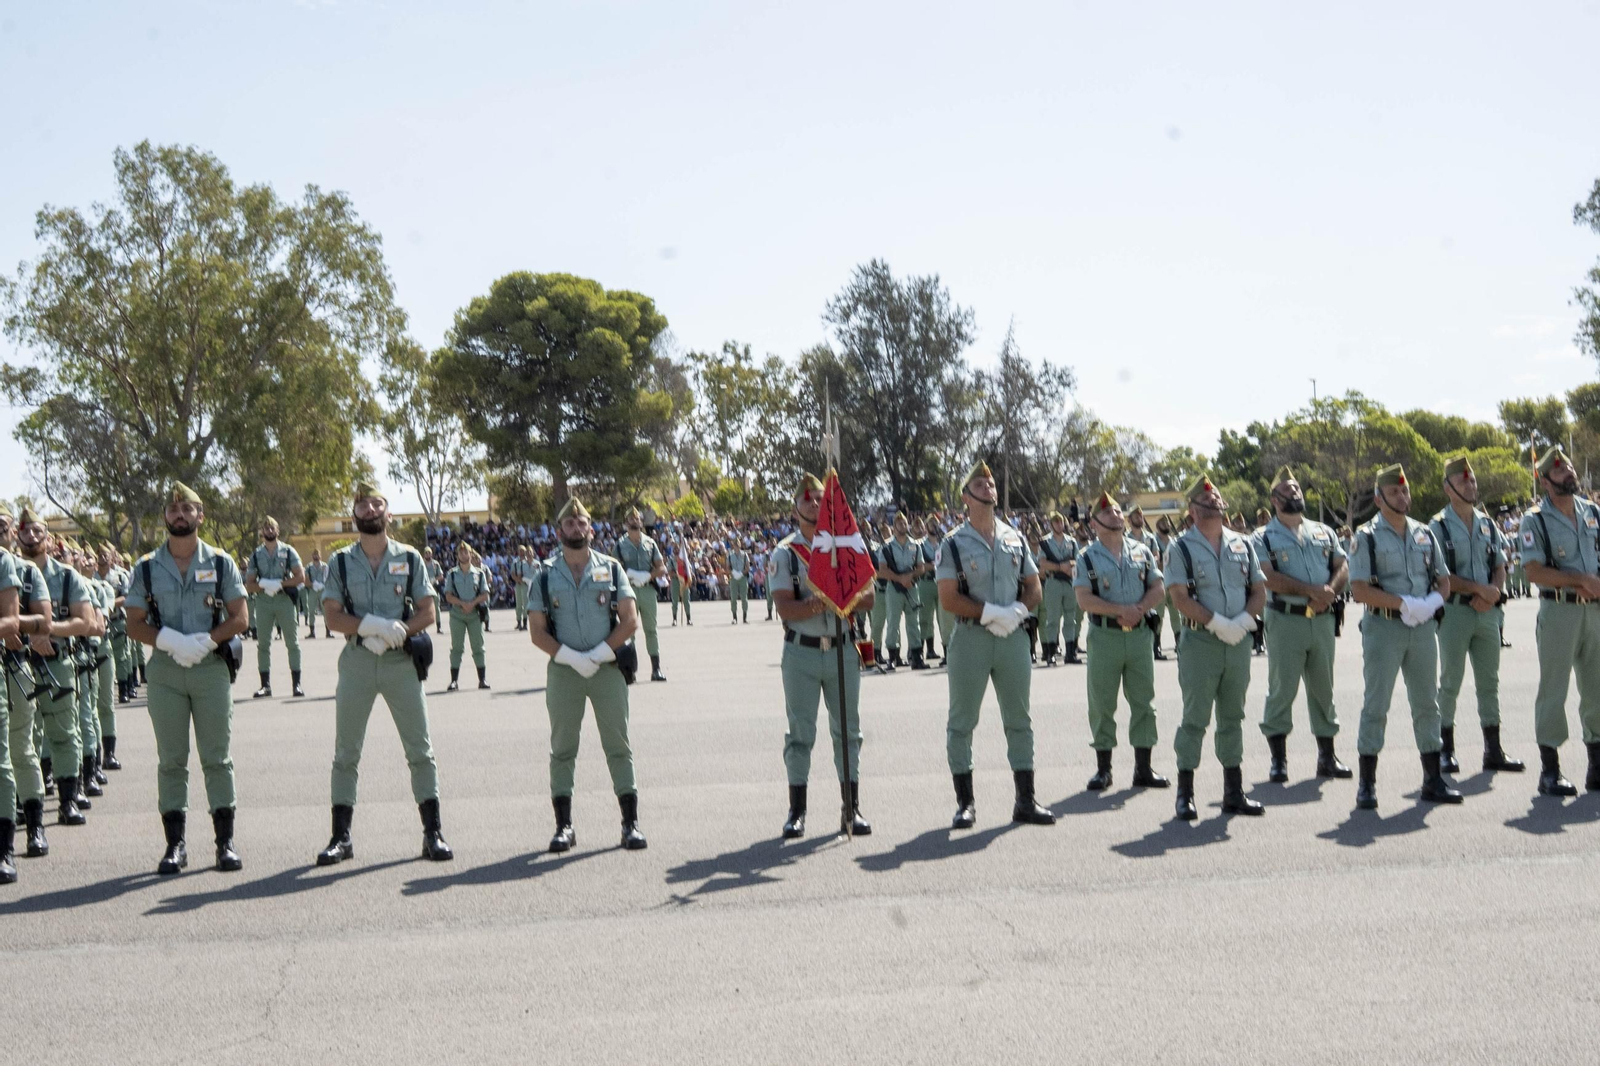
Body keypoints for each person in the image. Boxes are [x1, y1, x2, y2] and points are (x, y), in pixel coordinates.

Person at [316, 481, 453, 865]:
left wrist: (400, 632)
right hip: (358, 661)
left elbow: (428, 611)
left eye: (377, 504)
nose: (371, 510)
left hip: (399, 662)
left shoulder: (410, 559)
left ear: (388, 514)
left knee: (419, 749)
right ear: (355, 515)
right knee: (346, 752)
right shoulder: (340, 562)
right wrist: (372, 627)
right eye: (363, 505)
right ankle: (341, 837)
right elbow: (331, 616)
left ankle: (433, 833)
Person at [124, 483, 250, 874]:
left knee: (217, 757)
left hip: (210, 667)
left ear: (201, 514)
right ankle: (175, 846)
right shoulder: (146, 567)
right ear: (165, 516)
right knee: (172, 760)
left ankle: (224, 843)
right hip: (164, 671)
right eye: (173, 509)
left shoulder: (222, 562)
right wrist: (168, 639)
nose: (180, 514)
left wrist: (207, 641)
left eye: (187, 508)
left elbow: (240, 617)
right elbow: (133, 623)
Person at [935, 461, 1055, 829]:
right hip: (972, 636)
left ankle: (1025, 799)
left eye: (990, 482)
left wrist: (1018, 609)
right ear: (965, 497)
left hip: (1013, 638)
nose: (988, 486)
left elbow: (1034, 585)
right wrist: (990, 612)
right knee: (962, 722)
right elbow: (948, 598)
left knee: (1020, 720)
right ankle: (966, 803)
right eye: (979, 483)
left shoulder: (1014, 538)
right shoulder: (953, 543)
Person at [526, 497, 646, 852]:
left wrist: (601, 652)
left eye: (582, 523)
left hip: (606, 668)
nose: (576, 529)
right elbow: (536, 630)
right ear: (559, 530)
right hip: (565, 672)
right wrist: (569, 657)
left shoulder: (611, 569)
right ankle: (564, 826)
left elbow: (630, 619)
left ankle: (630, 824)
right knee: (562, 748)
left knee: (618, 746)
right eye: (570, 524)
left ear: (591, 529)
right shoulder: (545, 574)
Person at [1347, 464, 1460, 810]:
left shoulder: (1425, 533)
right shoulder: (1365, 537)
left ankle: (1432, 779)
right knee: (1376, 704)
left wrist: (1434, 601)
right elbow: (1359, 589)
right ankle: (1367, 784)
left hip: (1422, 626)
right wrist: (1404, 603)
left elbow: (1443, 578)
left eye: (1405, 490)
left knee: (1428, 703)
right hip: (1384, 627)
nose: (1403, 496)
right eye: (1394, 492)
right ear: (1379, 499)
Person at [769, 474, 873, 838]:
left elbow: (870, 597)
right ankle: (797, 811)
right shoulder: (785, 553)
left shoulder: (846, 546)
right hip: (802, 653)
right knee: (800, 733)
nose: (814, 504)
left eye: (819, 499)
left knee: (848, 732)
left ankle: (852, 807)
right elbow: (785, 607)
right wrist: (818, 602)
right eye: (807, 499)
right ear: (795, 508)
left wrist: (844, 596)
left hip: (843, 649)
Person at [1164, 475, 1267, 819]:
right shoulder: (1180, 548)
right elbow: (1179, 598)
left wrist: (1241, 622)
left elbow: (1258, 590)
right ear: (1193, 511)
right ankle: (1185, 793)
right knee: (1195, 718)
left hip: (1237, 641)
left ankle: (1233, 792)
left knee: (1233, 717)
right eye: (1206, 500)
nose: (1215, 502)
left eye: (1217, 498)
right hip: (1200, 642)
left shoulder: (1243, 544)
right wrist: (1216, 622)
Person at [1253, 466, 1353, 783]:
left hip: (1322, 619)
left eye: (1297, 488)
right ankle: (1279, 760)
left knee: (1324, 689)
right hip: (1285, 620)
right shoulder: (1263, 537)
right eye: (1288, 489)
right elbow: (1267, 576)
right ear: (1274, 498)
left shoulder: (1323, 531)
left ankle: (1327, 757)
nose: (1295, 493)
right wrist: (1311, 591)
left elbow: (1342, 565)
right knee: (1282, 689)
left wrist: (1330, 593)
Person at [1429, 456, 1524, 775]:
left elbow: (1499, 564)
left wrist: (1493, 592)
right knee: (1450, 681)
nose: (1471, 485)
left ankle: (1493, 749)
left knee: (1490, 682)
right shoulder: (1437, 526)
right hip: (1455, 612)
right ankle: (1445, 750)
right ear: (1448, 488)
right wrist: (1480, 591)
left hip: (1487, 613)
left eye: (1472, 480)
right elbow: (1439, 575)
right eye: (1464, 481)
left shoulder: (1488, 524)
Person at [1074, 492, 1170, 791]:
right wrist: (1121, 610)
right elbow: (1083, 598)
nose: (1116, 515)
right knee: (1102, 704)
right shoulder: (1086, 556)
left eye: (1118, 510)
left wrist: (1139, 609)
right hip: (1105, 637)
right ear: (1095, 523)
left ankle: (1144, 768)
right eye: (1108, 512)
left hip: (1140, 635)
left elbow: (1158, 586)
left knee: (1144, 702)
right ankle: (1104, 769)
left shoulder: (1140, 550)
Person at [1519, 448, 1600, 795]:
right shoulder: (1534, 520)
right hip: (1559, 611)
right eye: (1560, 469)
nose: (1569, 472)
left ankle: (1596, 766)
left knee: (1596, 689)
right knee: (1554, 690)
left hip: (1594, 611)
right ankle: (1550, 770)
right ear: (1545, 480)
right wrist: (1580, 579)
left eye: (1569, 466)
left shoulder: (1593, 512)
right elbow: (1534, 570)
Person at [16, 510, 97, 825]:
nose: (32, 537)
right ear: (17, 536)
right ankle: (25, 801)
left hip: (58, 661)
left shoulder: (67, 576)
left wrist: (47, 631)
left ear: (48, 538)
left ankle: (67, 800)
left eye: (38, 531)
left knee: (64, 733)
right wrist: (30, 635)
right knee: (25, 738)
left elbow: (86, 622)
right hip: (19, 664)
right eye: (26, 531)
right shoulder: (10, 571)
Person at [0, 507, 51, 857]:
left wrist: (17, 624)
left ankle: (34, 826)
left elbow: (44, 620)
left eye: (2, 526)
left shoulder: (26, 571)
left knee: (18, 749)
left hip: (15, 667)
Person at [244, 516, 306, 698]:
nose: (269, 531)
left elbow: (300, 577)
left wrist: (280, 584)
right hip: (263, 601)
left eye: (272, 528)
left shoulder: (288, 551)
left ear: (278, 531)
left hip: (284, 600)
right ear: (261, 532)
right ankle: (265, 686)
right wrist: (264, 585)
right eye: (266, 528)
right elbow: (249, 584)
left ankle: (297, 684)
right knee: (263, 644)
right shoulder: (256, 555)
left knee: (292, 643)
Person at [617, 509, 669, 682]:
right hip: (628, 591)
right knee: (628, 630)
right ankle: (629, 670)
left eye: (638, 518)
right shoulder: (619, 545)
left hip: (647, 590)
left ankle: (656, 669)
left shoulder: (650, 543)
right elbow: (614, 569)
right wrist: (629, 574)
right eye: (632, 518)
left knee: (651, 629)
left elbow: (661, 568)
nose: (636, 520)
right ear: (626, 522)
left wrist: (648, 576)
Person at [882, 514, 928, 670]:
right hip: (894, 588)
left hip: (912, 587)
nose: (902, 525)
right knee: (893, 622)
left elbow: (921, 567)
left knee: (914, 622)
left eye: (904, 523)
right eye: (899, 523)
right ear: (894, 527)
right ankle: (893, 657)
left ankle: (917, 657)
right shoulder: (887, 547)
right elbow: (882, 571)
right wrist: (899, 578)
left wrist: (910, 576)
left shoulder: (915, 545)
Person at [442, 543, 489, 691]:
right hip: (457, 615)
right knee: (456, 648)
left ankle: (482, 680)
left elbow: (485, 594)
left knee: (478, 647)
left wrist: (472, 603)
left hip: (474, 614)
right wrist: (462, 603)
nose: (463, 554)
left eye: (466, 552)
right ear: (457, 555)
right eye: (461, 552)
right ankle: (454, 681)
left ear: (471, 554)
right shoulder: (452, 574)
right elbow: (448, 595)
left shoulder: (479, 574)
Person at [1037, 510, 1080, 666]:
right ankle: (1050, 653)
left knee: (1071, 617)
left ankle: (1070, 652)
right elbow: (1042, 562)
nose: (1059, 524)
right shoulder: (1046, 542)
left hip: (1069, 582)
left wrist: (1069, 566)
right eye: (1056, 522)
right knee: (1052, 618)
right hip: (1053, 581)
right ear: (1051, 524)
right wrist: (1059, 566)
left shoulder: (1072, 541)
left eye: (1061, 522)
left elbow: (1077, 560)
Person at [911, 516, 942, 666]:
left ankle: (940, 650)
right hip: (926, 583)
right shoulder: (920, 544)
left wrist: (934, 564)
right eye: (931, 523)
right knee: (924, 618)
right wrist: (934, 565)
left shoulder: (944, 542)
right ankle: (922, 650)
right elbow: (920, 565)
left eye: (936, 523)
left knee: (943, 619)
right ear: (926, 527)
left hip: (941, 583)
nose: (934, 526)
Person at [303, 549, 330, 639]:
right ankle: (312, 632)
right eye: (314, 555)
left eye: (317, 555)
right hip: (313, 590)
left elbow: (328, 578)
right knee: (311, 611)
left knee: (325, 611)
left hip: (323, 590)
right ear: (312, 556)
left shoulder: (325, 566)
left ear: (320, 556)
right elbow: (306, 580)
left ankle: (328, 632)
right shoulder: (309, 567)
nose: (316, 556)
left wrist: (323, 585)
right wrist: (312, 584)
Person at [422, 547, 445, 635]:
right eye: (426, 553)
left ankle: (439, 627)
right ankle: (423, 628)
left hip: (434, 588)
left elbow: (441, 575)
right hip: (424, 589)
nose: (428, 554)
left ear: (431, 554)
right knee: (423, 609)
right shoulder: (422, 563)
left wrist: (435, 580)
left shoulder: (435, 564)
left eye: (429, 553)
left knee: (437, 608)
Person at [727, 540, 751, 624]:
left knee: (744, 598)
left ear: (740, 545)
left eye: (738, 545)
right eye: (735, 545)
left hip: (742, 578)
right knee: (733, 598)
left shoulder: (744, 555)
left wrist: (741, 573)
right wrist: (733, 572)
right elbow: (728, 567)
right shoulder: (730, 555)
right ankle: (734, 617)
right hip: (733, 578)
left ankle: (745, 617)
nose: (736, 546)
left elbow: (748, 567)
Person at [511, 544, 533, 632]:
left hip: (526, 585)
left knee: (525, 603)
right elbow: (512, 573)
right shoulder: (515, 562)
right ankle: (518, 621)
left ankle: (524, 622)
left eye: (523, 551)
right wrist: (518, 580)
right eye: (520, 551)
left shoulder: (528, 562)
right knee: (518, 604)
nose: (521, 553)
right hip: (518, 584)